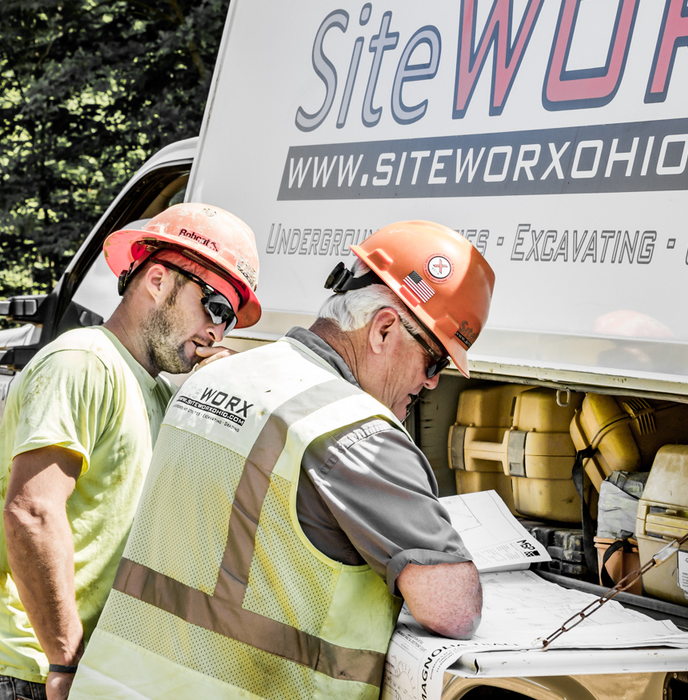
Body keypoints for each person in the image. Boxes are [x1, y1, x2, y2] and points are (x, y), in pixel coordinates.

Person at [71, 220, 496, 700]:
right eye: (434, 361)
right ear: (383, 329)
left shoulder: (215, 377)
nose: (434, 382)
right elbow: (453, 608)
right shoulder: (356, 430)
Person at [0, 203, 262, 700]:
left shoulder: (155, 392)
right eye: (215, 307)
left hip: (48, 670)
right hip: (14, 669)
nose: (218, 331)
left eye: (230, 319)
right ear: (157, 280)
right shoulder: (84, 363)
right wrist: (65, 659)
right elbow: (33, 512)